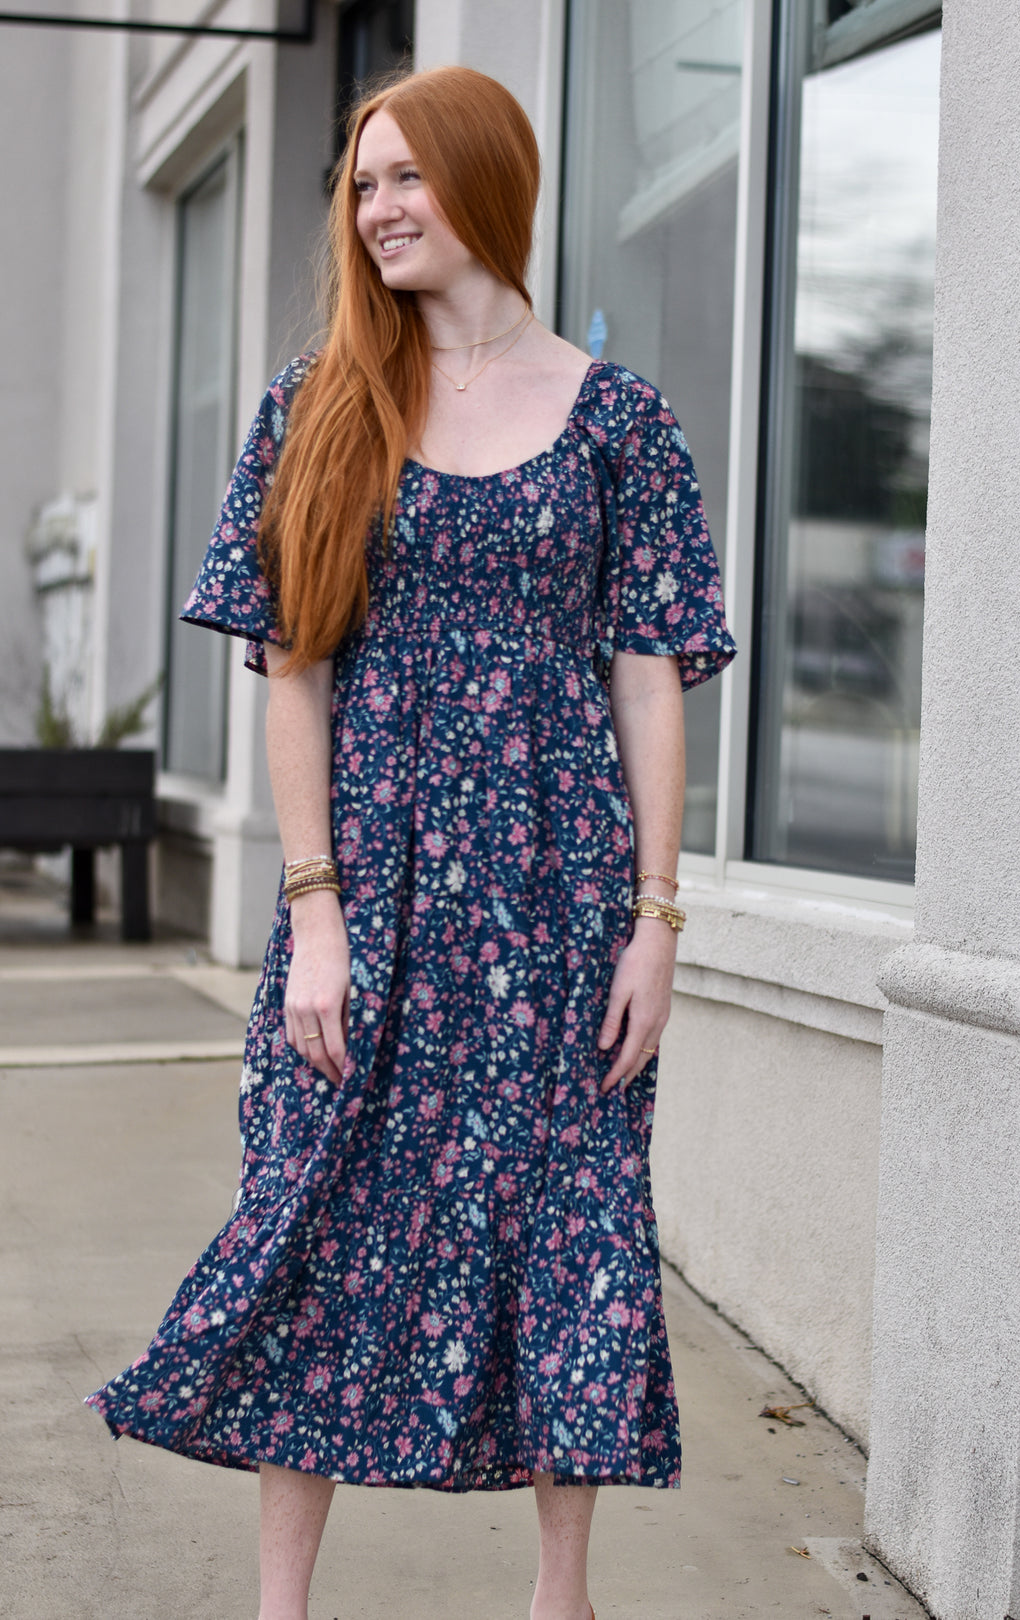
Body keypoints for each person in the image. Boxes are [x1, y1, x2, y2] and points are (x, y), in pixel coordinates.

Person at [86, 64, 735, 1620]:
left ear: (486, 181)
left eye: (401, 179)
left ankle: (558, 1593)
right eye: (359, 184)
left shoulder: (620, 419)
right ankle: (282, 1604)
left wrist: (657, 918)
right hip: (367, 884)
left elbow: (649, 680)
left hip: (559, 893)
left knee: (570, 1218)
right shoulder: (318, 401)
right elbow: (291, 669)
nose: (373, 208)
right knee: (308, 1205)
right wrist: (314, 912)